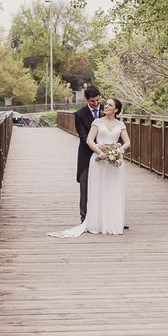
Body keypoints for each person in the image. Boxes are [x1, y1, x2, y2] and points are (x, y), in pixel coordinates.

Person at [48, 98, 131, 238]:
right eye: (106, 104)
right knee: (98, 190)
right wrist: (100, 152)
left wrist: (119, 151)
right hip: (99, 160)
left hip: (115, 162)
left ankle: (113, 222)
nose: (106, 106)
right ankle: (97, 222)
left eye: (110, 105)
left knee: (113, 190)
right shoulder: (97, 122)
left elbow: (127, 142)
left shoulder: (121, 124)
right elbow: (89, 140)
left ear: (116, 109)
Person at [74, 85, 103, 223]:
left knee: (105, 185)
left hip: (106, 155)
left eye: (98, 100)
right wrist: (98, 148)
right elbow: (83, 136)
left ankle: (106, 216)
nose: (96, 104)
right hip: (86, 154)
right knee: (85, 186)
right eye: (93, 101)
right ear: (87, 100)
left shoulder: (107, 109)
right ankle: (84, 217)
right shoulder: (79, 114)